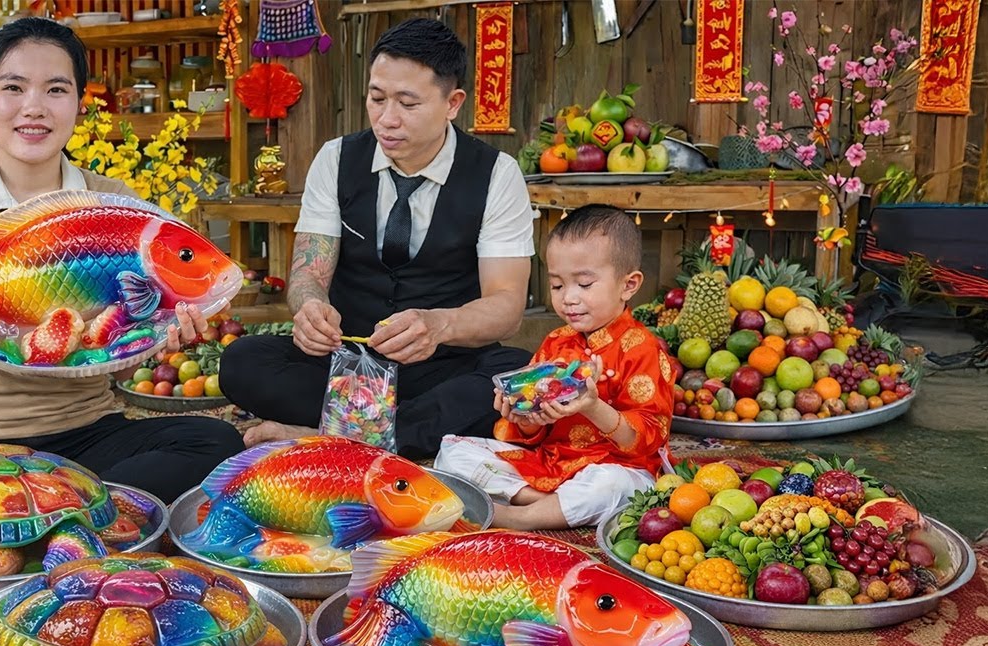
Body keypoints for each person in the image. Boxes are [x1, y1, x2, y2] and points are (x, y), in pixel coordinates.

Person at [0, 18, 244, 503]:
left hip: (84, 434)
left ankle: (33, 510)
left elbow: (111, 365)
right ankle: (81, 510)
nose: (34, 107)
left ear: (81, 103)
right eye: (13, 87)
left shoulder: (114, 205)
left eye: (56, 89)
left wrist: (154, 332)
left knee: (215, 443)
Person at [218, 18, 533, 460]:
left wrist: (439, 325)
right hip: (347, 365)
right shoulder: (336, 159)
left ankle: (328, 436)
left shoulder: (497, 174)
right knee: (243, 361)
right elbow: (308, 274)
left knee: (512, 375)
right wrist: (310, 308)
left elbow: (507, 306)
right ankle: (397, 432)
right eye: (377, 98)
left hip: (442, 366)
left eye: (408, 103)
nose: (387, 119)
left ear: (453, 103)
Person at [434, 205, 675, 530]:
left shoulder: (642, 348)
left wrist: (593, 407)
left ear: (628, 285)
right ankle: (542, 503)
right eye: (558, 286)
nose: (569, 298)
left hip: (614, 466)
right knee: (454, 450)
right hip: (550, 462)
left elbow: (648, 439)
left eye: (584, 284)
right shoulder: (556, 342)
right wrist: (524, 419)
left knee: (614, 486)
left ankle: (519, 516)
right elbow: (532, 432)